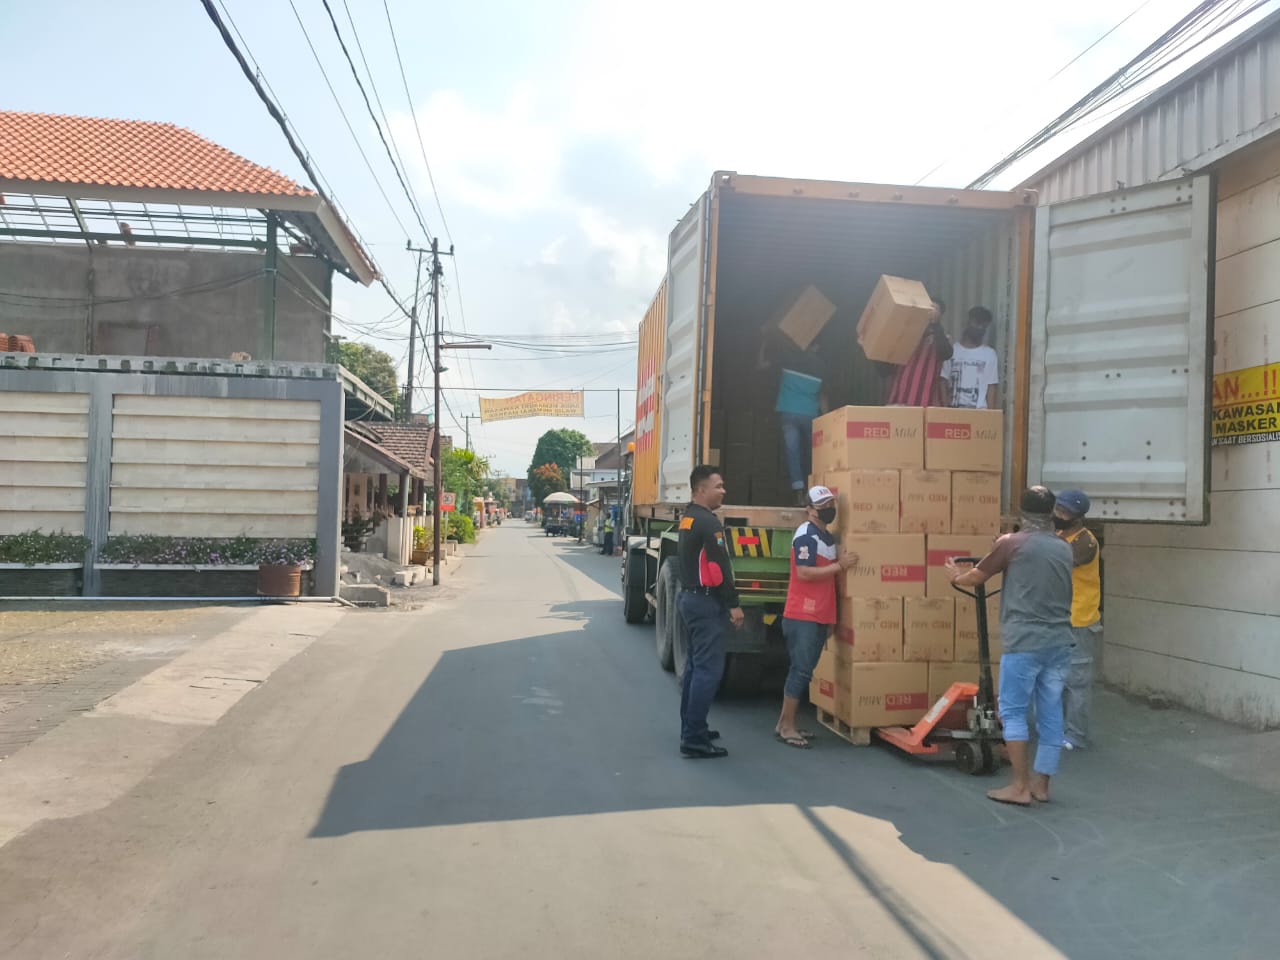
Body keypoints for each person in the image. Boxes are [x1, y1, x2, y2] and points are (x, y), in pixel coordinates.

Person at [946, 486, 1074, 806]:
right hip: (1059, 641)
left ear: (1021, 511)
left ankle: (1018, 787)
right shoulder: (1063, 547)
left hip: (1024, 642)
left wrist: (954, 577)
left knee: (1013, 711)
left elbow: (976, 578)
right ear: (1051, 512)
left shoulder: (1011, 543)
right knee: (1050, 712)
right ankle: (1041, 785)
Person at [775, 486, 858, 748]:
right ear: (810, 509)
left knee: (803, 669)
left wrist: (831, 618)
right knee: (800, 671)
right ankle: (787, 726)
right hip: (803, 614)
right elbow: (804, 573)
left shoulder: (827, 537)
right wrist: (840, 566)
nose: (828, 508)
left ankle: (784, 723)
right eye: (823, 505)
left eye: (831, 503)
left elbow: (828, 584)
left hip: (820, 613)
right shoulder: (806, 535)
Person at [676, 465, 745, 759]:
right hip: (706, 604)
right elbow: (720, 569)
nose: (723, 491)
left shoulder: (688, 518)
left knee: (694, 667)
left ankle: (692, 727)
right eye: (718, 486)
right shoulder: (710, 524)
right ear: (701, 490)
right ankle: (693, 740)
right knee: (707, 671)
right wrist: (733, 604)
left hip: (689, 599)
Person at [1054, 489, 1101, 750]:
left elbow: (1059, 560)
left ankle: (1076, 735)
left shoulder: (1086, 541)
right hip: (1059, 617)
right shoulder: (1058, 535)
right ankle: (1057, 728)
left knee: (1077, 681)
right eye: (1057, 509)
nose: (1058, 515)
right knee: (1055, 676)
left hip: (1079, 619)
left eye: (1064, 512)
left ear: (1078, 517)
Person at [759, 331, 827, 506]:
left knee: (793, 453)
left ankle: (798, 491)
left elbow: (761, 366)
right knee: (814, 455)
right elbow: (822, 397)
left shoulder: (787, 358)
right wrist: (827, 419)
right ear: (817, 346)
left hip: (789, 414)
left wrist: (765, 340)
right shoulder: (821, 366)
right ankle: (815, 492)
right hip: (811, 416)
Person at [886, 299, 953, 406]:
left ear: (940, 315)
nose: (930, 312)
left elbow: (946, 353)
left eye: (935, 310)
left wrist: (936, 325)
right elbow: (886, 370)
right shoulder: (904, 335)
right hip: (900, 402)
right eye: (928, 308)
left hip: (928, 404)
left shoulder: (942, 338)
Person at [941, 306, 1000, 410]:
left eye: (984, 326)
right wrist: (945, 408)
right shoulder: (951, 350)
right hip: (953, 412)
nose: (980, 328)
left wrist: (991, 417)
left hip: (980, 414)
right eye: (977, 323)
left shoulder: (990, 354)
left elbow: (991, 387)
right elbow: (943, 380)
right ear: (967, 323)